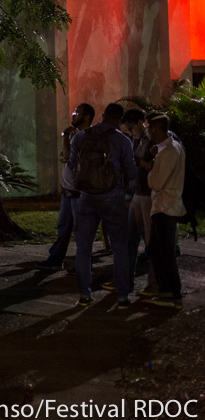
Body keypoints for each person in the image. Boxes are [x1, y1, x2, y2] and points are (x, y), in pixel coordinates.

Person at [68, 102, 137, 308]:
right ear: (120, 120)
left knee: (84, 248)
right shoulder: (122, 140)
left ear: (103, 114)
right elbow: (131, 172)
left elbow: (72, 164)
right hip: (113, 198)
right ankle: (122, 297)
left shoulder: (82, 136)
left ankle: (84, 295)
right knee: (120, 248)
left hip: (86, 197)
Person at [37, 103, 95, 271]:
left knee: (80, 230)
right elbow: (65, 156)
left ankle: (84, 264)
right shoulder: (75, 135)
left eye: (77, 113)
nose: (73, 115)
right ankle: (56, 259)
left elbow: (68, 157)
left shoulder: (85, 136)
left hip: (78, 192)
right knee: (63, 226)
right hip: (68, 189)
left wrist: (64, 136)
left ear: (86, 117)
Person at [144, 114, 186, 309]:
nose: (147, 131)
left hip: (164, 207)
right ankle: (168, 291)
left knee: (162, 252)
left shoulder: (167, 152)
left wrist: (151, 169)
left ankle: (172, 293)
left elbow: (155, 183)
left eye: (148, 127)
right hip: (167, 205)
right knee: (158, 250)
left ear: (155, 128)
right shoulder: (174, 147)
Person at [122, 108, 156, 294]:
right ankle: (125, 280)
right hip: (138, 193)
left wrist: (136, 160)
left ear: (139, 123)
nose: (130, 132)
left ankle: (154, 284)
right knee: (130, 237)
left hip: (149, 195)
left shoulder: (153, 140)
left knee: (151, 241)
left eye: (131, 128)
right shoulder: (138, 140)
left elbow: (154, 167)